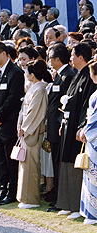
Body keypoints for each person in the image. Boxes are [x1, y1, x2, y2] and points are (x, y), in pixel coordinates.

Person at [56, 43, 96, 219]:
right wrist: (62, 122)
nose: (70, 58)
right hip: (67, 123)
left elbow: (88, 106)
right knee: (65, 162)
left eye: (72, 54)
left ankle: (75, 205)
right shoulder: (78, 75)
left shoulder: (89, 77)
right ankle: (66, 203)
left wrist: (82, 126)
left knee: (76, 163)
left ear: (81, 57)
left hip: (78, 127)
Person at [0, 41, 25, 205]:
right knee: (1, 160)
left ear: (3, 53)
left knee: (11, 161)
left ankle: (12, 192)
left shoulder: (15, 72)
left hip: (8, 124)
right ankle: (2, 190)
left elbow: (13, 98)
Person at [46, 43, 75, 211]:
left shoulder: (67, 76)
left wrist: (58, 121)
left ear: (57, 59)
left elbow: (66, 104)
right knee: (55, 162)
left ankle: (60, 198)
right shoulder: (60, 75)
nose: (49, 61)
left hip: (59, 127)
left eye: (50, 58)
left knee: (59, 163)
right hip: (54, 128)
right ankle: (56, 194)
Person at [17, 60, 48, 209]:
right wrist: (20, 124)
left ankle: (32, 199)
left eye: (27, 72)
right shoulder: (33, 88)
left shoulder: (41, 89)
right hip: (26, 129)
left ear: (32, 75)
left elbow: (35, 112)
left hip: (33, 131)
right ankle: (24, 197)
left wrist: (25, 127)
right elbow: (24, 109)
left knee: (32, 164)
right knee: (25, 163)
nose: (25, 74)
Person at [79, 60, 97, 225]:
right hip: (94, 139)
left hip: (95, 140)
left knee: (93, 177)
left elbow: (94, 119)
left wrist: (85, 131)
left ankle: (93, 214)